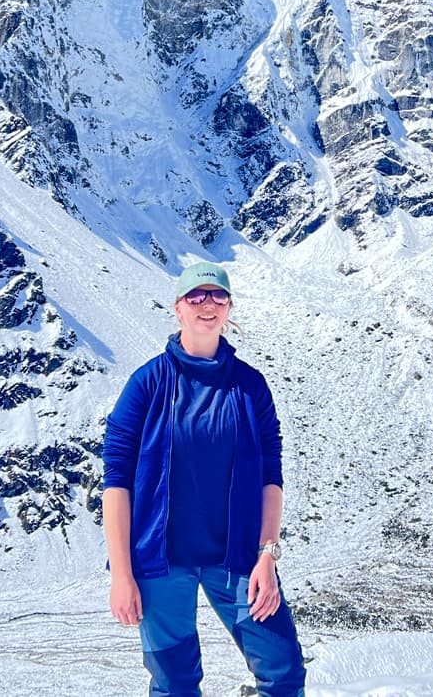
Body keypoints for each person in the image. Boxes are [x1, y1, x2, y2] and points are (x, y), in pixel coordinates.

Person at [102, 262, 306, 696]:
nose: (207, 304)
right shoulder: (147, 384)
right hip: (160, 564)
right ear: (178, 308)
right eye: (196, 296)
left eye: (218, 296)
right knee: (175, 683)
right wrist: (122, 575)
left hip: (237, 560)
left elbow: (272, 475)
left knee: (283, 671)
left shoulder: (250, 387)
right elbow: (116, 482)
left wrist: (267, 555)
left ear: (229, 308)